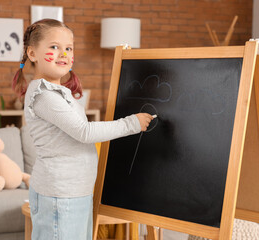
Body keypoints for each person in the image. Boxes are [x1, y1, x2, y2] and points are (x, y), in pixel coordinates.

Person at [12, 19, 154, 240]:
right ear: (32, 53)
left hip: (74, 192)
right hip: (60, 194)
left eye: (68, 48)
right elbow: (84, 132)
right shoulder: (43, 95)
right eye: (54, 47)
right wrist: (131, 123)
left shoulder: (59, 91)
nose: (63, 54)